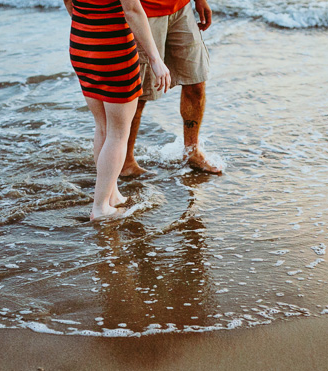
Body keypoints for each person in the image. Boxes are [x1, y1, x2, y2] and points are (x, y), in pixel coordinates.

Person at [65, 0, 172, 221]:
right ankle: (101, 207)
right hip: (114, 49)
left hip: (81, 43)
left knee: (103, 127)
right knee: (117, 134)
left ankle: (110, 195)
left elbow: (69, 3)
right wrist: (155, 58)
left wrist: (90, 27)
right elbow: (132, 10)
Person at [120, 0, 221, 176]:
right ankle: (126, 161)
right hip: (144, 12)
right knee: (139, 90)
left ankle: (192, 151)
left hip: (181, 8)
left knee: (196, 80)